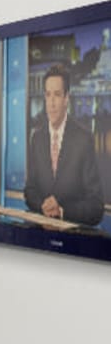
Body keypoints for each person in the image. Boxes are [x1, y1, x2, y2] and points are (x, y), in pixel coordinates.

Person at [24, 65, 106, 226]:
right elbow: (30, 190)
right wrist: (43, 206)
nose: (52, 103)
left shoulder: (84, 139)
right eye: (48, 95)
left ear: (66, 98)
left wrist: (62, 211)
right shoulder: (37, 138)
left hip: (72, 241)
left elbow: (96, 206)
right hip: (40, 239)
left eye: (57, 95)